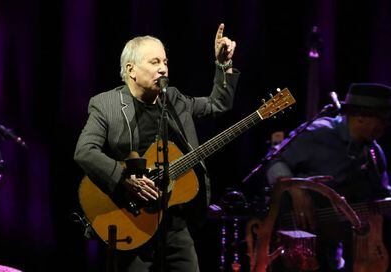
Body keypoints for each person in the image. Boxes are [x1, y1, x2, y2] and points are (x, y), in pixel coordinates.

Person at [74, 23, 239, 272]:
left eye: (164, 61)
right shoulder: (106, 104)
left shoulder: (174, 99)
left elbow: (217, 105)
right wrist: (124, 181)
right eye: (154, 62)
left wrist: (222, 66)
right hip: (131, 220)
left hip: (174, 222)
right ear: (131, 70)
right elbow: (85, 151)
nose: (162, 68)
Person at [266, 83, 391, 271]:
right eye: (382, 119)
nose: (385, 126)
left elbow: (382, 200)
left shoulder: (375, 153)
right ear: (360, 117)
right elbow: (273, 163)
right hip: (295, 247)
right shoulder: (319, 133)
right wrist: (296, 191)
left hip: (336, 253)